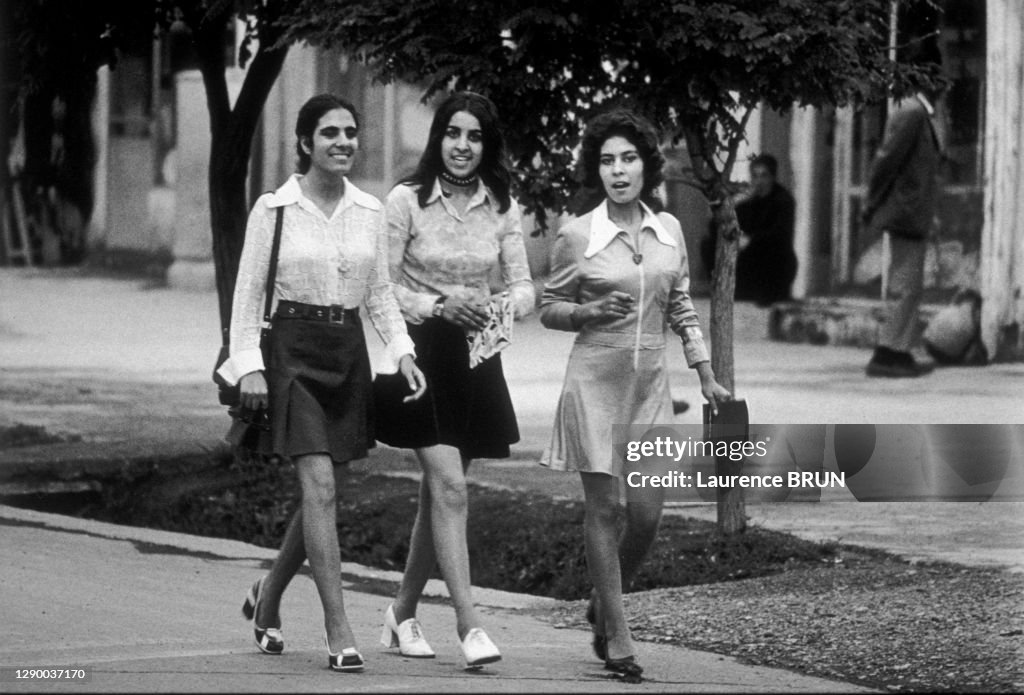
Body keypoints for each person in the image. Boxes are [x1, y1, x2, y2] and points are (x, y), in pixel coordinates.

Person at [216, 93, 426, 672]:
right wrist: (248, 364)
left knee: (322, 493)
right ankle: (339, 630)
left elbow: (380, 293)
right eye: (330, 133)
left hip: (347, 355)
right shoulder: (274, 209)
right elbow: (246, 293)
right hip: (291, 354)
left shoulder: (369, 209)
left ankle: (268, 598)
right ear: (305, 143)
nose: (343, 142)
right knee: (321, 490)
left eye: (351, 133)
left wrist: (402, 351)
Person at [539, 109, 731, 682]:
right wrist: (587, 312)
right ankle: (618, 637)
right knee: (605, 507)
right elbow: (549, 307)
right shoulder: (577, 234)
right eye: (606, 160)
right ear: (595, 169)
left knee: (646, 517)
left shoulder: (669, 230)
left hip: (650, 384)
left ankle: (604, 598)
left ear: (647, 166)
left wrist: (704, 370)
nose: (617, 171)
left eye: (628, 159)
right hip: (595, 380)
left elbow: (680, 304)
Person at [374, 91, 535, 669]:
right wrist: (440, 305)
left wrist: (494, 305)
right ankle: (470, 625)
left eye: (474, 137)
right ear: (438, 137)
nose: (462, 146)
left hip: (477, 354)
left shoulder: (502, 205)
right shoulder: (405, 201)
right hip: (419, 356)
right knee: (451, 488)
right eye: (452, 133)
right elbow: (381, 287)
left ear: (486, 145)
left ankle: (401, 613)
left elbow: (525, 288)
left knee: (438, 495)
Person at [862, 87, 944, 378]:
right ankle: (889, 353)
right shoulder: (911, 112)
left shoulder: (920, 113)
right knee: (903, 285)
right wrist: (871, 202)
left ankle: (898, 350)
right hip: (906, 212)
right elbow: (887, 160)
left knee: (909, 286)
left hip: (914, 212)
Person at [700, 153, 797, 306]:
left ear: (772, 177)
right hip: (748, 260)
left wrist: (750, 240)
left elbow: (779, 235)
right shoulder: (749, 201)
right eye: (755, 176)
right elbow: (715, 226)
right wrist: (733, 203)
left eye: (764, 176)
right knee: (708, 244)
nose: (759, 181)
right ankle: (721, 290)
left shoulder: (783, 200)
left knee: (761, 253)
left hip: (773, 262)